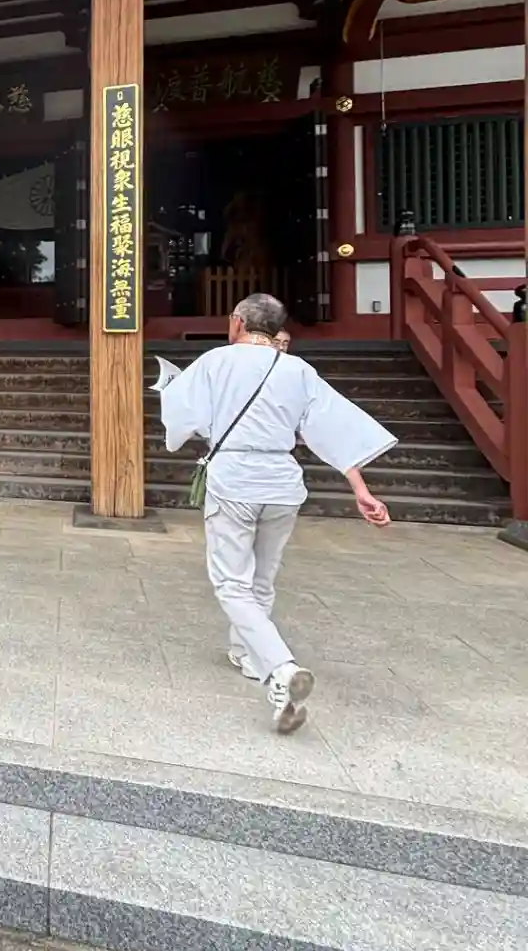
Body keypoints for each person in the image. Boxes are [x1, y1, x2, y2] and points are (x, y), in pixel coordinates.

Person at [157, 291, 395, 735]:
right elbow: (332, 430)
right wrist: (361, 490)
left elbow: (182, 417)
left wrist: (172, 394)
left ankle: (280, 669)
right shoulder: (298, 370)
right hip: (283, 483)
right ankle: (247, 654)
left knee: (232, 583)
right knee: (262, 579)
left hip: (235, 479)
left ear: (237, 321)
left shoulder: (215, 361)